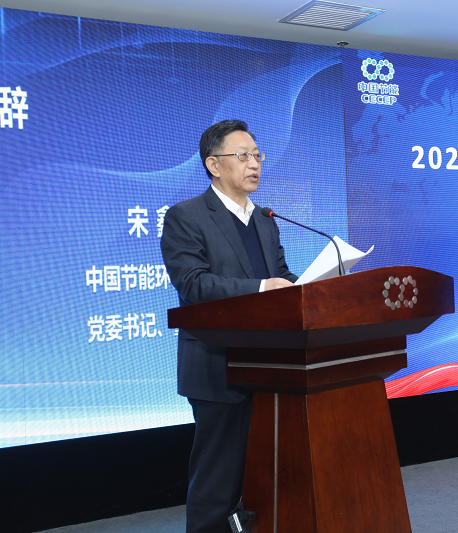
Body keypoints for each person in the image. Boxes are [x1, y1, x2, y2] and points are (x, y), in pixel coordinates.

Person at [160, 119, 297, 533]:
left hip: (271, 368)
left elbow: (282, 276)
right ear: (214, 165)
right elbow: (193, 284)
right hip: (218, 367)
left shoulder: (265, 219)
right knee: (217, 485)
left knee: (266, 481)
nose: (254, 163)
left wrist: (312, 286)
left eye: (257, 155)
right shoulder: (186, 216)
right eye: (243, 155)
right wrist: (261, 287)